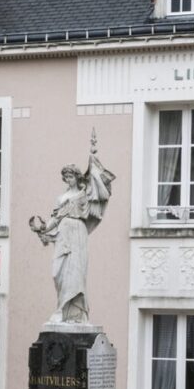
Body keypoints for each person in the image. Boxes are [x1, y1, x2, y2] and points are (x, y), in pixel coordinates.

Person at [29, 131, 116, 324]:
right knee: (57, 272)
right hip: (63, 235)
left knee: (76, 274)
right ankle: (62, 307)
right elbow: (55, 218)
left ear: (77, 177)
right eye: (65, 176)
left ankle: (72, 313)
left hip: (78, 234)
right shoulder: (61, 198)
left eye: (70, 175)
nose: (68, 178)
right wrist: (43, 229)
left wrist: (93, 157)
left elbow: (98, 188)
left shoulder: (84, 195)